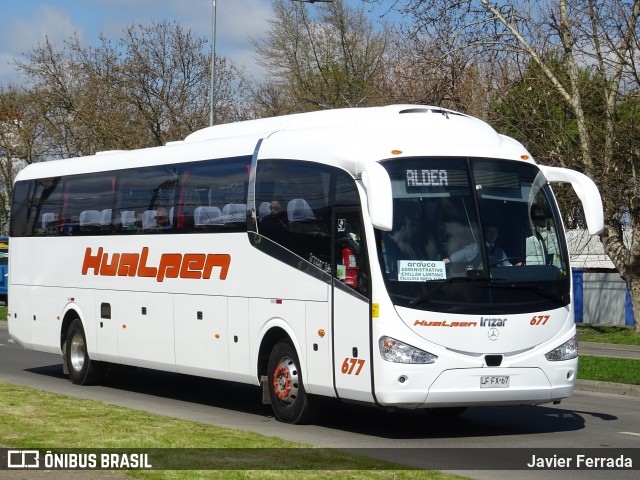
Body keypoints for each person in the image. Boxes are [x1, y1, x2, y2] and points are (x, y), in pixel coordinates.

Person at [444, 225, 517, 267]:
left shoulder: (500, 252)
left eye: (494, 232)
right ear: (485, 233)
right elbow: (464, 253)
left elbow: (507, 265)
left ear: (497, 235)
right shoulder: (476, 247)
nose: (492, 235)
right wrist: (450, 259)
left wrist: (515, 267)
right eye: (489, 232)